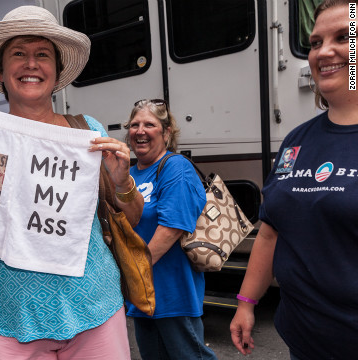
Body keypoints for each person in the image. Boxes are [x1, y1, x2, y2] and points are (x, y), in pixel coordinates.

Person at [0, 6, 143, 359]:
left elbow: (132, 218)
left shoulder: (86, 132)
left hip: (95, 307)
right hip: (12, 316)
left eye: (42, 54)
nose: (31, 64)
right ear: (1, 70)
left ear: (57, 71)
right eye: (19, 54)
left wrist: (122, 182)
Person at [230, 1, 358, 359]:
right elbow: (271, 232)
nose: (324, 51)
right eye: (316, 42)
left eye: (344, 37)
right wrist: (246, 303)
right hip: (303, 341)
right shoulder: (297, 141)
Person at [123, 99, 217, 359]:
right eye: (134, 125)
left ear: (166, 133)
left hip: (172, 293)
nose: (140, 131)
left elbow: (171, 228)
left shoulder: (176, 167)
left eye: (149, 124)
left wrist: (133, 274)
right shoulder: (128, 174)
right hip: (141, 297)